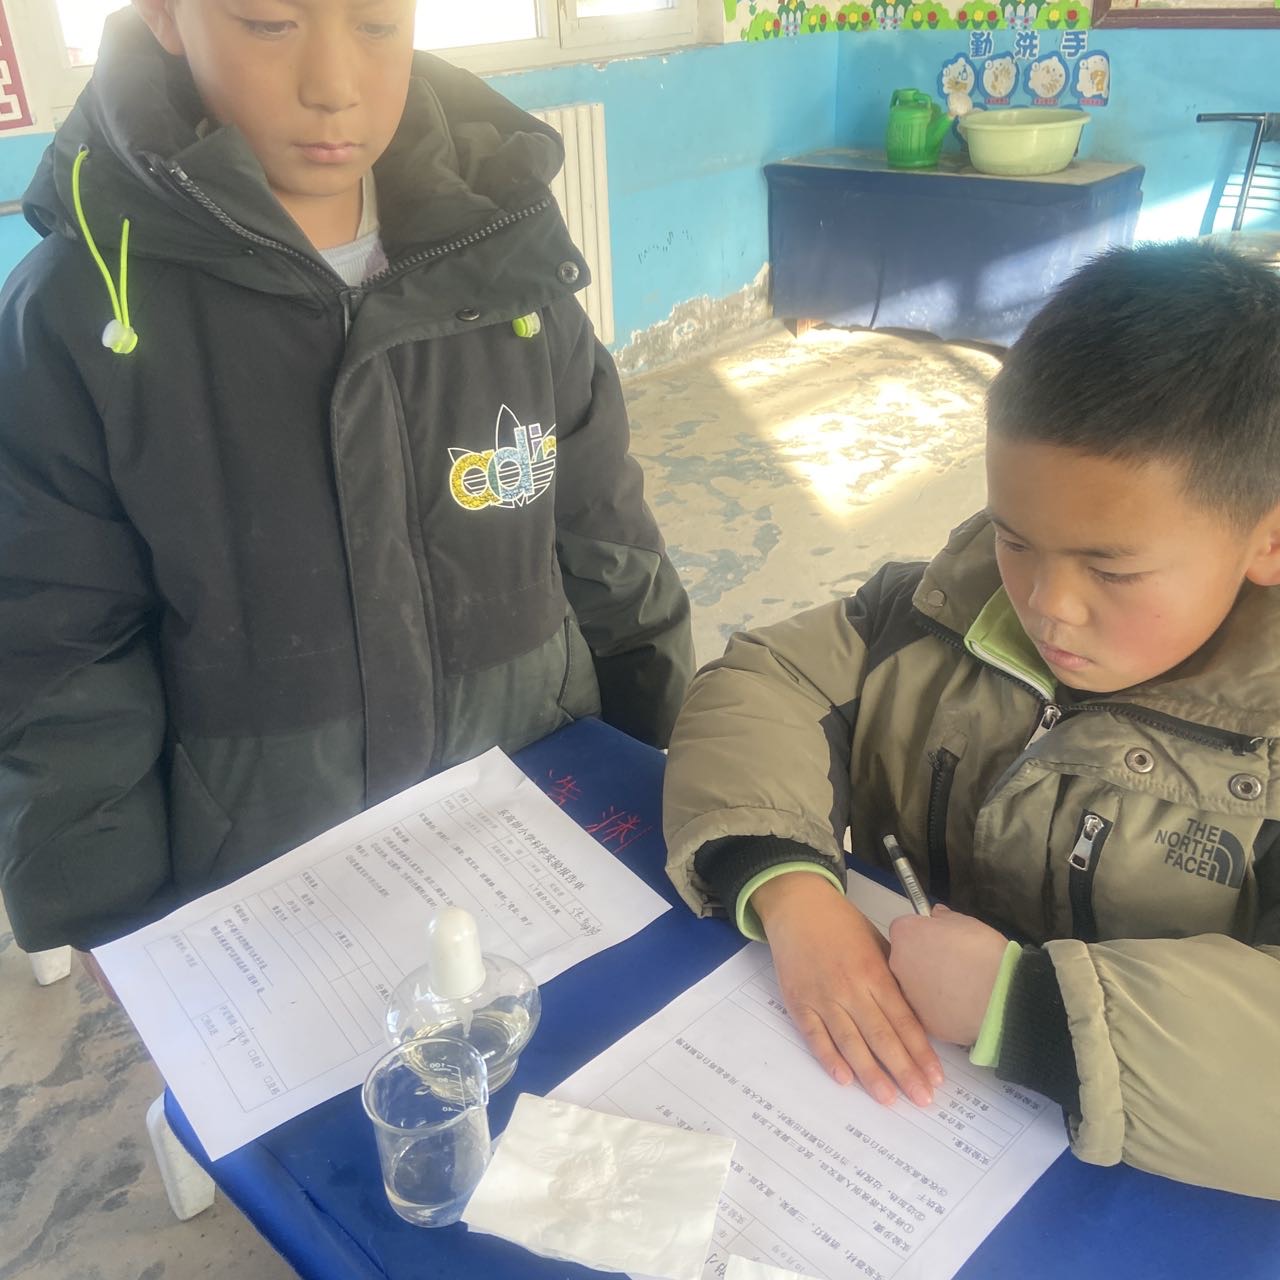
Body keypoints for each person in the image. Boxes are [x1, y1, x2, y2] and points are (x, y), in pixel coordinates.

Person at [0, 0, 693, 956]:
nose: (333, 87)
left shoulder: (505, 254)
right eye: (267, 23)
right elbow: (62, 647)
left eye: (376, 25)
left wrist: (664, 748)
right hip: (268, 876)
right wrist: (110, 918)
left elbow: (606, 534)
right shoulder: (79, 313)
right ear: (165, 15)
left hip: (534, 812)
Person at [662, 241, 1280, 1199]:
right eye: (1014, 537)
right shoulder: (931, 613)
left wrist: (1021, 1008)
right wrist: (789, 887)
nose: (1047, 605)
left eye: (1111, 570)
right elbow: (767, 680)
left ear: (1267, 539)